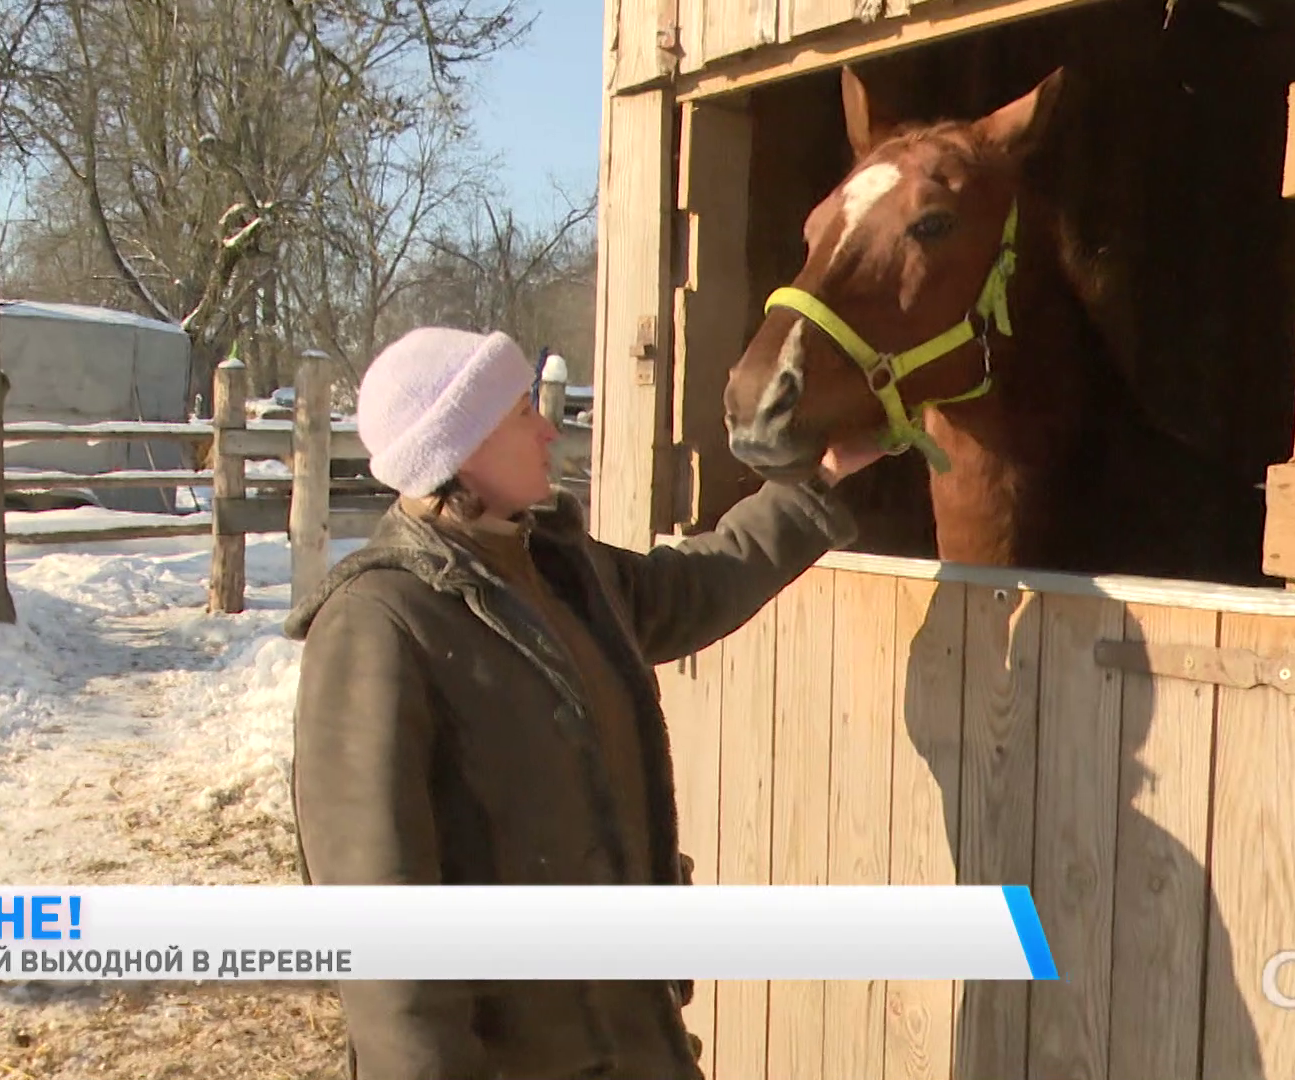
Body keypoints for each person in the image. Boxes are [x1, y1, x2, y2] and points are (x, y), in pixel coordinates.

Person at [283, 326, 881, 1080]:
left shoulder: (555, 568)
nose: (545, 429)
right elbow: (377, 922)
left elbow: (696, 587)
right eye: (519, 413)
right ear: (457, 449)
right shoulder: (377, 622)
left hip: (636, 1045)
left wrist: (815, 481)